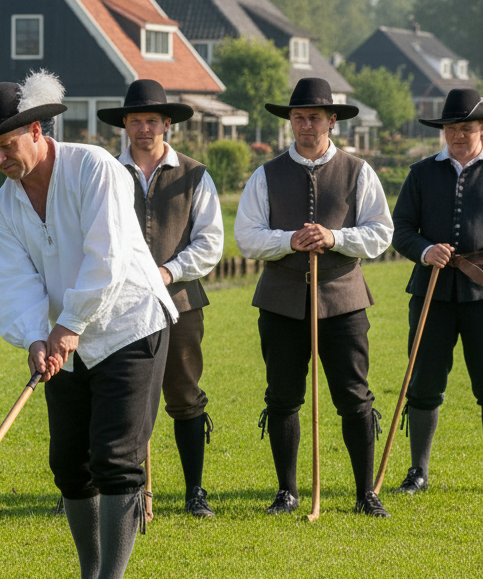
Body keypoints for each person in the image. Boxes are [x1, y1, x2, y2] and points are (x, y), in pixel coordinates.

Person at [0, 71, 177, 579]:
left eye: (8, 144)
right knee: (69, 464)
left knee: (116, 457)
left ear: (36, 130)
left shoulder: (95, 168)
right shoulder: (4, 209)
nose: (1, 157)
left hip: (129, 324)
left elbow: (108, 257)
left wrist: (68, 325)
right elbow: (11, 282)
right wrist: (33, 335)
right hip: (63, 342)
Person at [235, 77, 394, 517]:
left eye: (315, 117)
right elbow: (247, 237)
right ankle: (287, 492)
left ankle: (366, 493)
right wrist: (291, 241)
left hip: (343, 299)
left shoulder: (359, 171)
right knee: (282, 396)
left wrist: (334, 236)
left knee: (354, 396)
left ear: (332, 121)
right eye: (299, 117)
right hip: (281, 300)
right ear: (291, 121)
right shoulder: (265, 175)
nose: (307, 125)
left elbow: (381, 233)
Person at [97, 79, 224, 518]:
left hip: (180, 302)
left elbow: (210, 244)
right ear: (125, 125)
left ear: (167, 124)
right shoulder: (106, 175)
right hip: (119, 304)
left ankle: (195, 492)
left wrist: (167, 271)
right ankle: (114, 491)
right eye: (136, 121)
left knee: (184, 394)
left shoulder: (194, 174)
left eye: (152, 120)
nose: (144, 128)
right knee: (118, 396)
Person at [391, 88, 483, 493]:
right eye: (451, 127)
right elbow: (400, 229)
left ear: (480, 129)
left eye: (466, 127)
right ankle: (419, 471)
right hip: (432, 292)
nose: (458, 135)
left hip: (482, 296)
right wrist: (426, 250)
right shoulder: (421, 173)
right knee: (424, 382)